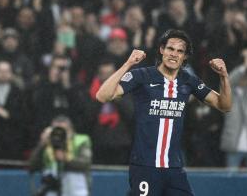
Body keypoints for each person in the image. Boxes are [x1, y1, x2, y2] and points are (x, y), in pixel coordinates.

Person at [96, 29, 232, 196]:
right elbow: (103, 95)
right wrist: (128, 64)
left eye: (180, 51)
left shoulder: (189, 81)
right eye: (170, 49)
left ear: (185, 57)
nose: (174, 54)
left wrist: (224, 76)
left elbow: (224, 105)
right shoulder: (142, 75)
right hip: (145, 165)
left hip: (174, 168)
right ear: (162, 50)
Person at [220, 49, 247, 172]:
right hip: (234, 145)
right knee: (230, 183)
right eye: (242, 74)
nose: (244, 77)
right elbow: (228, 82)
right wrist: (244, 66)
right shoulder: (228, 96)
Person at [29, 115, 92, 196]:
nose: (59, 135)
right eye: (56, 131)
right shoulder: (47, 143)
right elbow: (32, 166)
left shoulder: (81, 140)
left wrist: (65, 159)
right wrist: (42, 144)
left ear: (71, 130)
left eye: (63, 131)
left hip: (75, 190)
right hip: (51, 189)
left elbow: (85, 164)